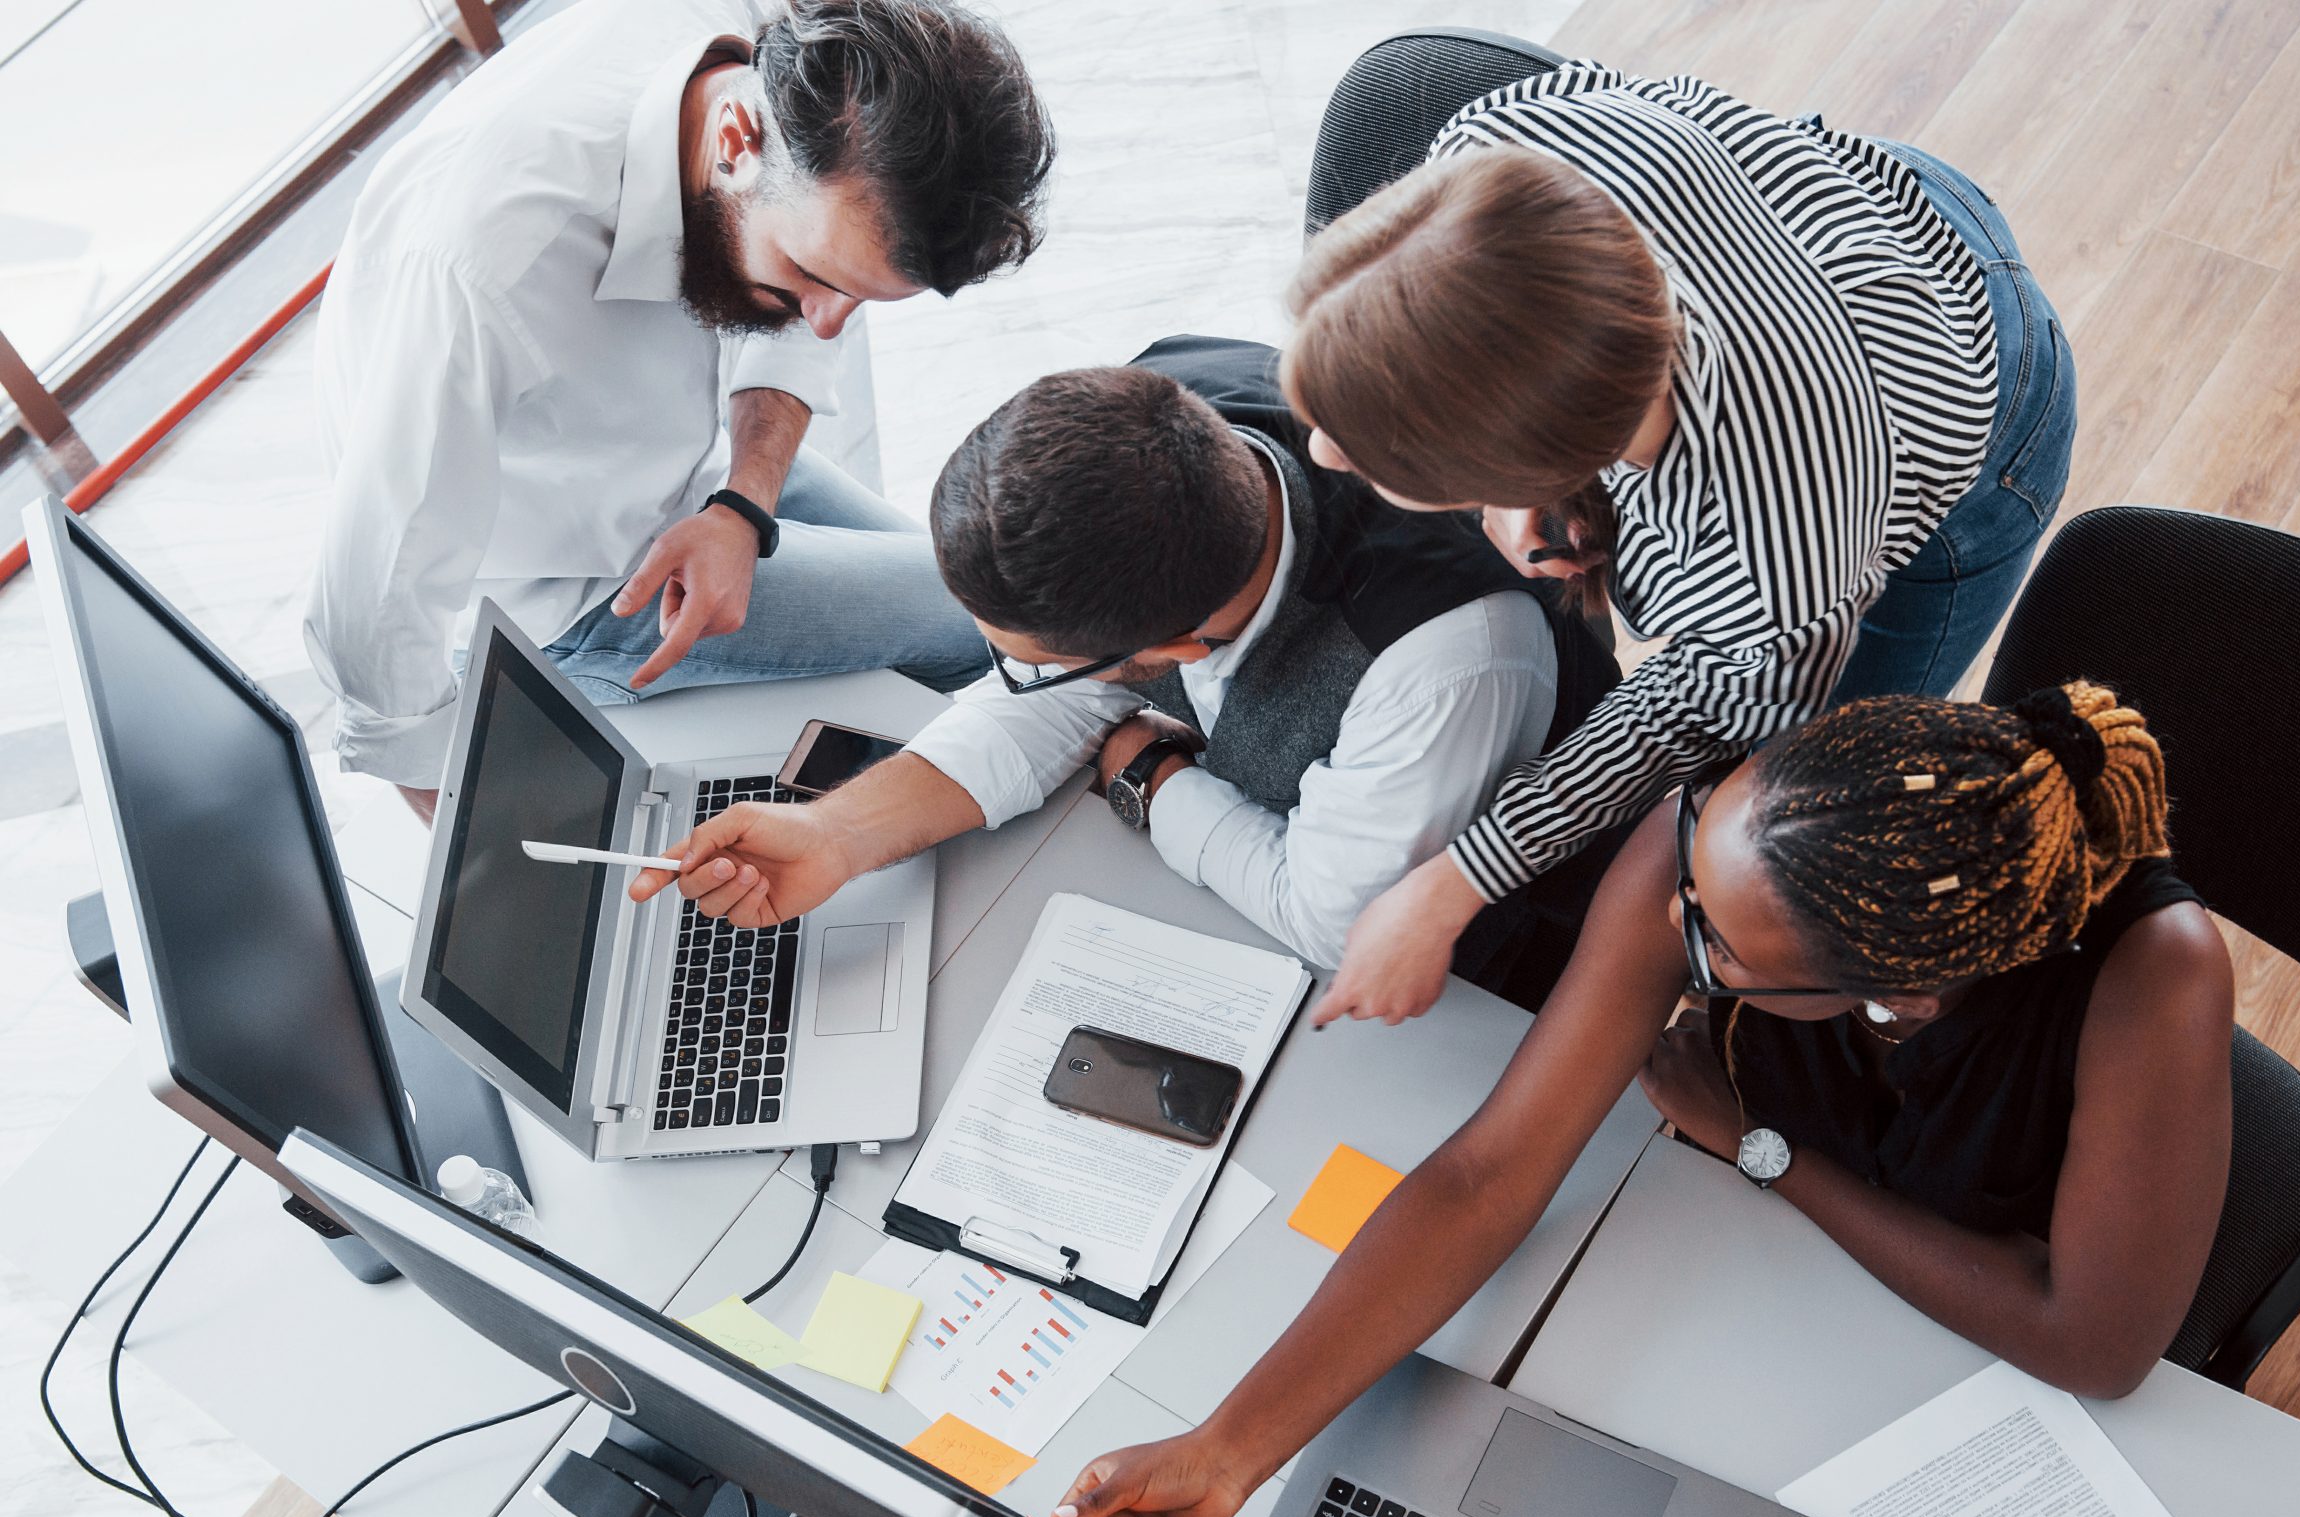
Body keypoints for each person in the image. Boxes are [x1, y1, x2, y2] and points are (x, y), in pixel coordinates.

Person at [1045, 683, 2232, 1517]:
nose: (1674, 927)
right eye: (1693, 877)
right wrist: (1229, 1448)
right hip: (1743, 1291)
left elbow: (2092, 1344)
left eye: (1717, 950)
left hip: (1956, 1356)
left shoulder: (2154, 977)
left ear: (1897, 994)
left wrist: (1762, 1150)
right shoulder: (1728, 836)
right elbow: (1485, 1172)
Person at [1284, 62, 2077, 1027]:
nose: (1322, 450)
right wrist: (1530, 485)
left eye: (1370, 455)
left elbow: (1689, 715)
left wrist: (1452, 883)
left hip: (1970, 379)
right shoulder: (1495, 146)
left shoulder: (1778, 557)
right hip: (1859, 206)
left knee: (1809, 820)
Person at [628, 336, 1617, 981]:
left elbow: (1329, 919)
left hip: (1504, 953)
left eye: (1038, 662)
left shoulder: (1443, 654)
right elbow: (1048, 705)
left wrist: (1150, 774)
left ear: (1175, 652)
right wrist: (837, 836)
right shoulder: (1160, 421)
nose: (1010, 680)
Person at [306, 0, 1054, 814]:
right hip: (577, 588)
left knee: (1011, 595)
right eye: (814, 277)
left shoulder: (770, 65)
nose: (827, 324)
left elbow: (804, 309)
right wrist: (471, 863)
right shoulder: (480, 270)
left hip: (676, 465)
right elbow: (370, 608)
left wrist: (743, 505)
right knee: (1011, 620)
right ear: (737, 141)